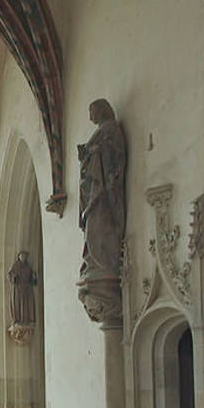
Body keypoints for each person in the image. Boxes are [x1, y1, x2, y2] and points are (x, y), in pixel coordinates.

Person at [77, 99, 126, 278]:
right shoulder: (101, 131)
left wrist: (95, 151)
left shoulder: (111, 128)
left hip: (102, 192)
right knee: (91, 228)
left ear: (101, 110)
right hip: (94, 191)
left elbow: (115, 154)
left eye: (92, 111)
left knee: (98, 226)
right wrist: (88, 153)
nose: (90, 117)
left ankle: (103, 263)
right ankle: (93, 263)